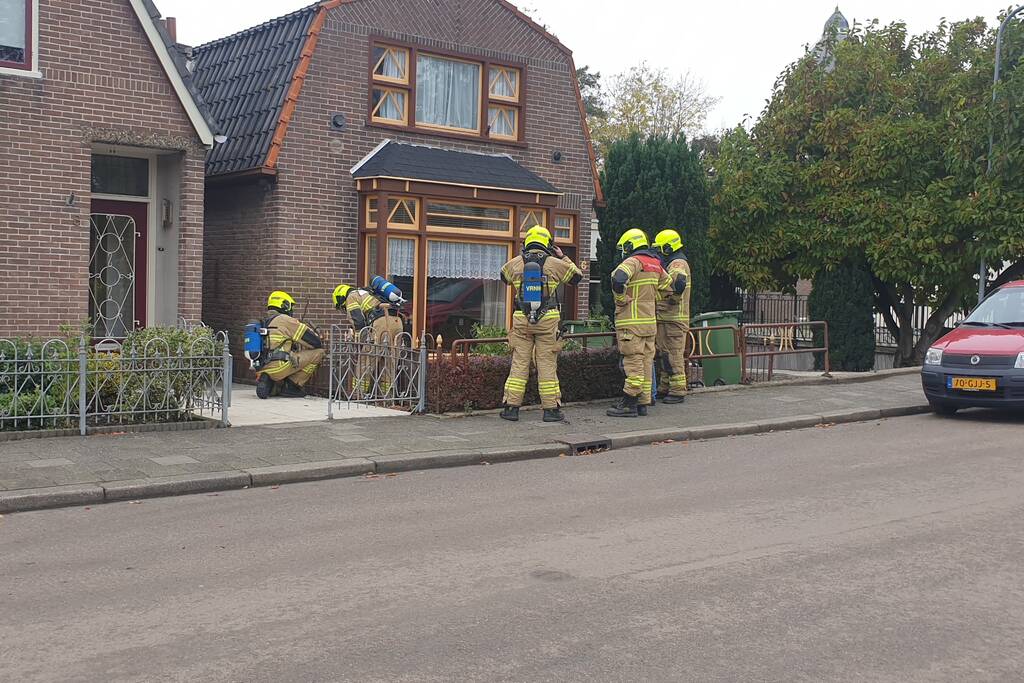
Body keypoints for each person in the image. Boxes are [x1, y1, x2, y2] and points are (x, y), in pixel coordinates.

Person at [499, 225, 583, 422]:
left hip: (522, 320)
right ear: (548, 244)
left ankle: (511, 408)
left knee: (519, 363)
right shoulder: (554, 263)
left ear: (527, 242)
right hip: (547, 320)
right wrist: (563, 257)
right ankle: (551, 410)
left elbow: (503, 277)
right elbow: (577, 277)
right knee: (547, 364)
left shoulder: (515, 263)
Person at [607, 229, 672, 418]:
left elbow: (618, 279)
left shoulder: (633, 262)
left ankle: (628, 403)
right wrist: (651, 298)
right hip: (649, 324)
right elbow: (671, 287)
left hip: (631, 324)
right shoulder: (655, 264)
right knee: (646, 363)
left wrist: (621, 299)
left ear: (630, 245)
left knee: (633, 362)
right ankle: (642, 403)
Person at [332, 282, 406, 397]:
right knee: (390, 363)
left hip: (381, 322)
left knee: (366, 361)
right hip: (397, 322)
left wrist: (361, 341)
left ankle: (358, 395)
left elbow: (358, 321)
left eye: (342, 307)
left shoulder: (351, 297)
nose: (344, 309)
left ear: (341, 298)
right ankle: (386, 398)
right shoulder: (369, 293)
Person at [257, 290, 324, 399]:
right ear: (284, 305)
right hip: (279, 366)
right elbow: (315, 342)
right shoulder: (285, 320)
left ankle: (270, 383)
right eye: (290, 306)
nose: (291, 310)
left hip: (261, 368)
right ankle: (291, 387)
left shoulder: (264, 322)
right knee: (319, 353)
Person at [653, 229, 691, 404]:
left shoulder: (677, 263)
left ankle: (677, 390)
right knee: (665, 354)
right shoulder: (673, 262)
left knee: (673, 355)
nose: (659, 252)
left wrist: (672, 300)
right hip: (667, 318)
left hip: (674, 319)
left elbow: (679, 283)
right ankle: (665, 386)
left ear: (668, 247)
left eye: (660, 248)